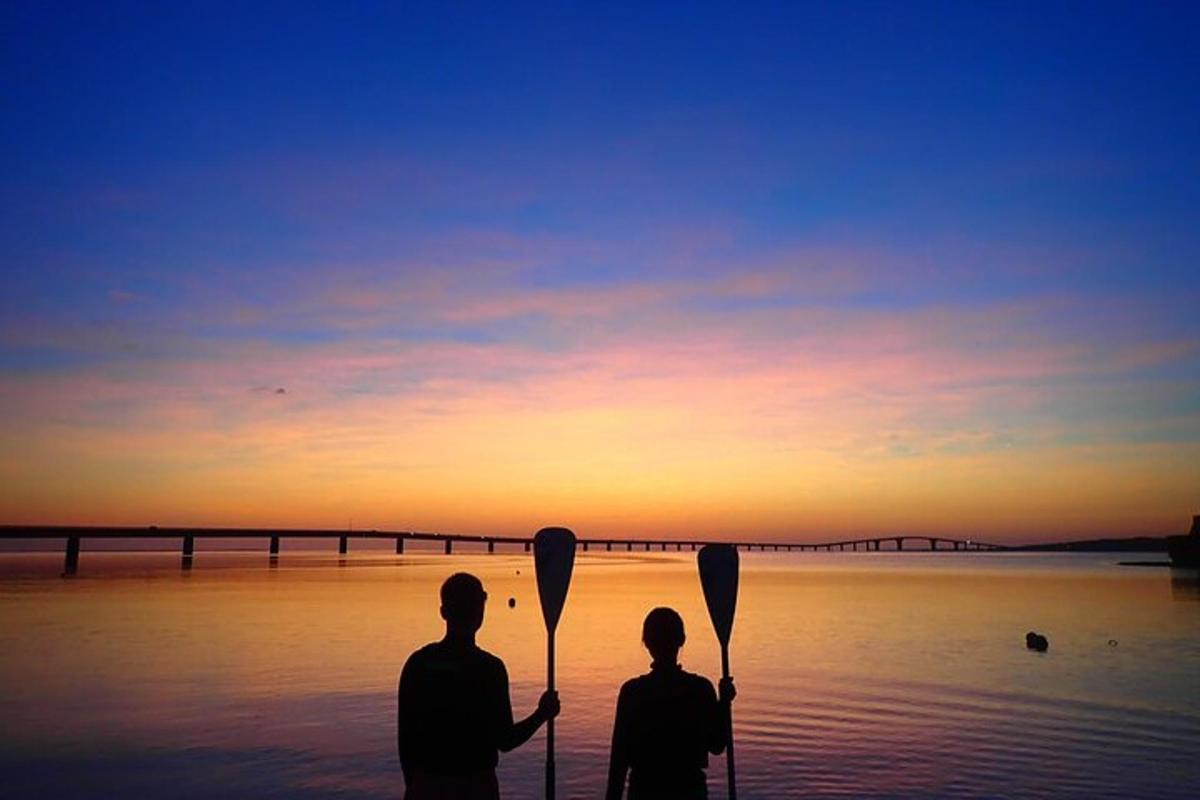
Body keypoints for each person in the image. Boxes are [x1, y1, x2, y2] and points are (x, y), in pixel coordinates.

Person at [398, 572, 560, 800]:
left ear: (443, 612)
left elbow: (405, 740)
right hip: (476, 787)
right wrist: (542, 714)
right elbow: (505, 740)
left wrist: (414, 786)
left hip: (426, 786)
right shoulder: (489, 669)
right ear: (480, 613)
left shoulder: (417, 664)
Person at [606, 607, 736, 800]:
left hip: (645, 790)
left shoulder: (632, 693)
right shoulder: (700, 689)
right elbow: (717, 745)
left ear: (647, 643)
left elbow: (619, 761)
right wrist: (724, 704)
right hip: (690, 790)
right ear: (682, 640)